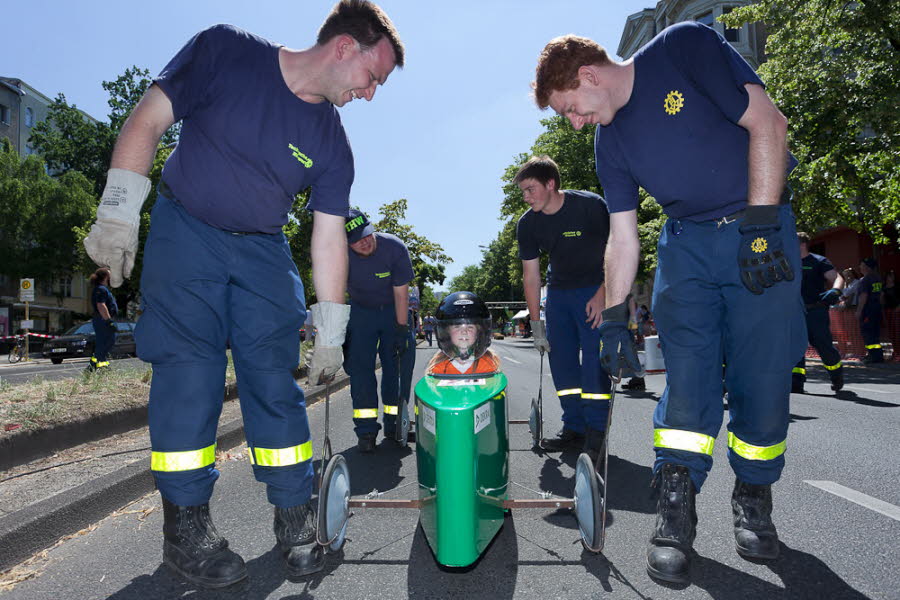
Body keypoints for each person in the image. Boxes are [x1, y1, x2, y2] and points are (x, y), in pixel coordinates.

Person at [81, 1, 404, 588]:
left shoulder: (333, 144)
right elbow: (148, 119)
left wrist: (331, 331)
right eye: (372, 77)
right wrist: (118, 214)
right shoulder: (225, 50)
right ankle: (187, 532)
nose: (371, 94)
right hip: (187, 233)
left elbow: (328, 238)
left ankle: (294, 517)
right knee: (189, 377)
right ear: (344, 48)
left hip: (262, 250)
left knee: (274, 383)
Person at [532, 22, 806, 585]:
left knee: (764, 373)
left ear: (589, 75)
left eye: (570, 108)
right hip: (685, 247)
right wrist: (612, 318)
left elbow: (768, 124)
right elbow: (623, 237)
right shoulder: (611, 142)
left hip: (757, 226)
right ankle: (675, 511)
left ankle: (753, 494)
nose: (575, 122)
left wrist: (759, 227)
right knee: (687, 378)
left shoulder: (683, 47)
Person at [514, 155, 612, 462]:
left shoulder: (591, 206)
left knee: (594, 365)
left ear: (551, 184)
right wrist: (536, 324)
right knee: (563, 364)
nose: (526, 197)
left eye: (530, 189)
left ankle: (596, 433)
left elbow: (618, 247)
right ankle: (575, 428)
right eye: (523, 192)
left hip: (594, 290)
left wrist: (604, 293)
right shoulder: (528, 224)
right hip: (557, 295)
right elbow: (531, 276)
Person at [344, 209, 415, 453]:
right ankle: (365, 431)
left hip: (393, 311)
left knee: (397, 367)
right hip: (360, 313)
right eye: (354, 240)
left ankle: (396, 424)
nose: (363, 242)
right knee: (360, 370)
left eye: (365, 234)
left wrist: (401, 330)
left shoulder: (394, 247)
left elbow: (401, 293)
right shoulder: (338, 255)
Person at [792, 232, 845, 393]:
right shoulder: (786, 262)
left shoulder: (818, 261)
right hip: (793, 312)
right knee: (794, 347)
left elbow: (838, 278)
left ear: (802, 244)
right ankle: (796, 381)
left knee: (823, 345)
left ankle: (836, 375)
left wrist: (835, 290)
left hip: (815, 310)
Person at [426, 291, 501, 376]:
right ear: (447, 333)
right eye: (457, 327)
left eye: (470, 327)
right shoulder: (439, 367)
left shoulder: (488, 364)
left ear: (478, 333)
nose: (464, 331)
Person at [86, 267, 118, 373]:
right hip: (102, 320)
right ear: (105, 277)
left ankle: (93, 366)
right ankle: (101, 366)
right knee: (107, 341)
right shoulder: (101, 289)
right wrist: (108, 320)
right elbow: (101, 305)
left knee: (104, 343)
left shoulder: (101, 289)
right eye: (110, 276)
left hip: (101, 319)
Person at [857, 258, 884, 363]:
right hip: (876, 309)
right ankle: (877, 356)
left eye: (862, 265)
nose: (860, 267)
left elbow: (864, 295)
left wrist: (859, 311)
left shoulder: (866, 279)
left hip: (867, 310)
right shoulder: (877, 278)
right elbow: (881, 295)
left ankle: (873, 356)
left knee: (868, 334)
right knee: (875, 334)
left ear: (867, 267)